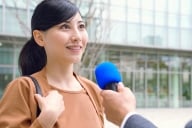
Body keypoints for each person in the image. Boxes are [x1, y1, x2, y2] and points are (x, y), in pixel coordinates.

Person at [0, 0, 104, 128]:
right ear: (40, 38)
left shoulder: (93, 90)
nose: (77, 36)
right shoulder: (24, 89)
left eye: (81, 26)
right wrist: (44, 122)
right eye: (65, 27)